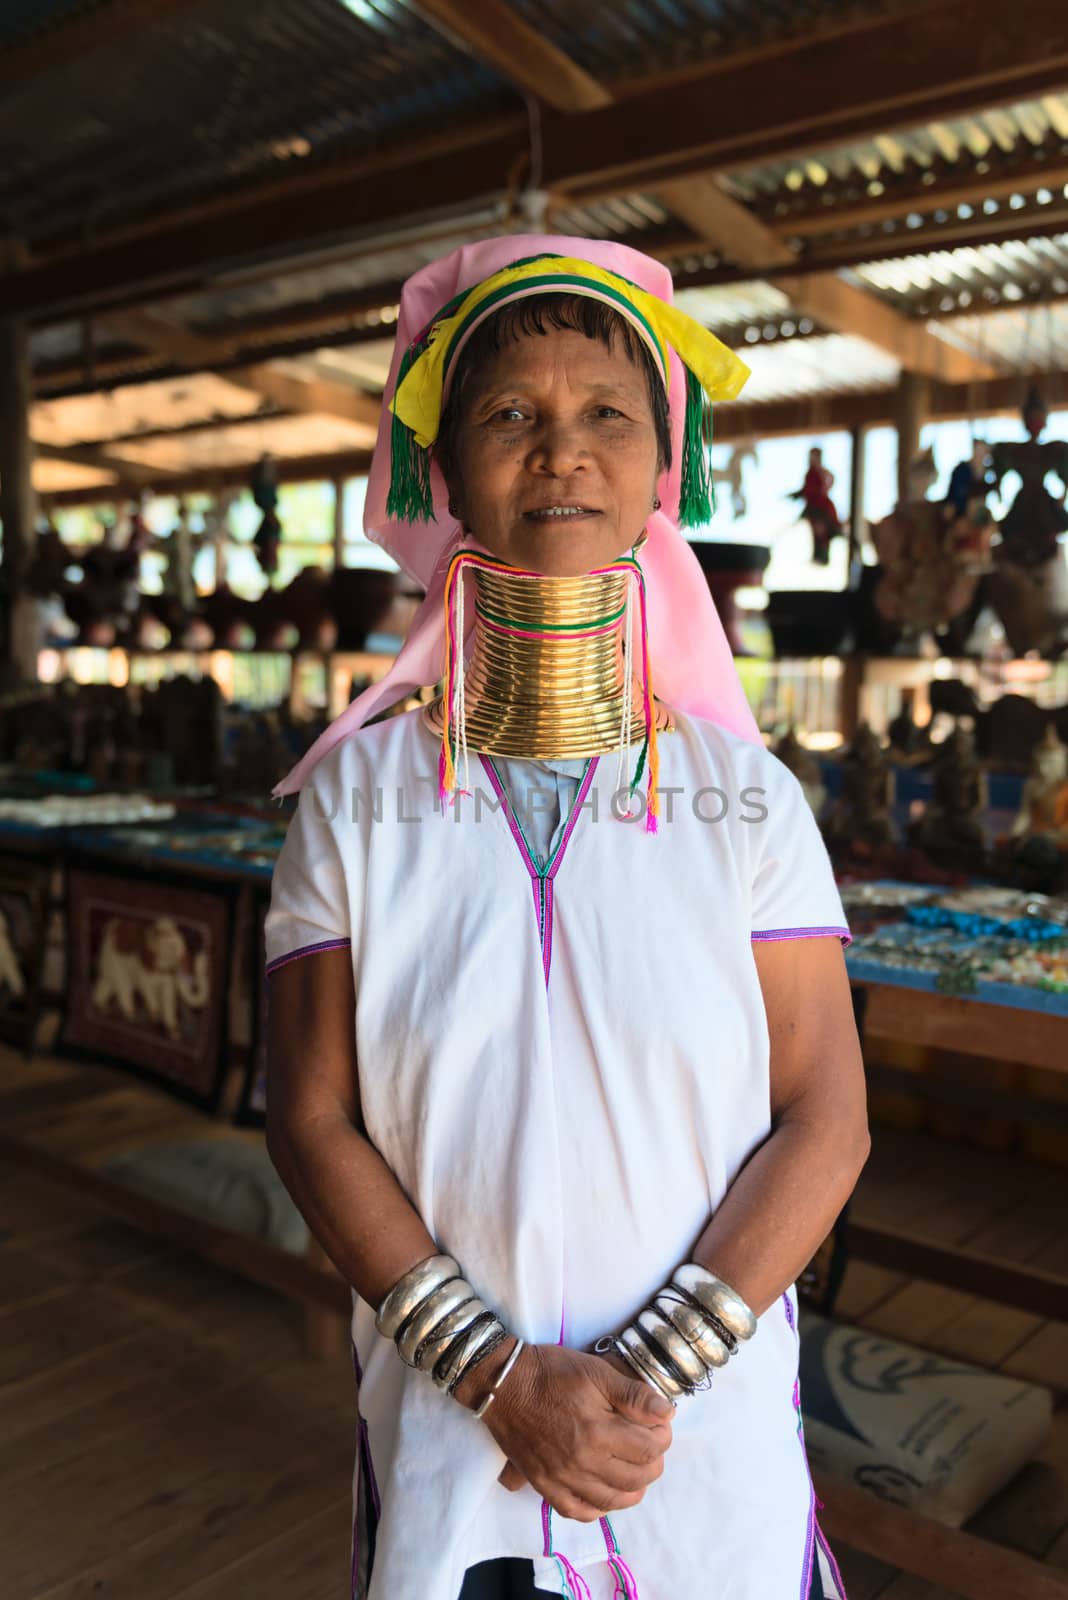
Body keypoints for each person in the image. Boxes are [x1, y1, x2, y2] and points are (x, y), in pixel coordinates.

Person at [265, 236, 869, 1600]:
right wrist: (498, 1379)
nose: (561, 454)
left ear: (666, 467)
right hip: (452, 1429)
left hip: (692, 1439)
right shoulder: (354, 801)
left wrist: (636, 1382)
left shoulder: (749, 801)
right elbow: (309, 1118)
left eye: (607, 414)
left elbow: (828, 1117)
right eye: (509, 416)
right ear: (446, 471)